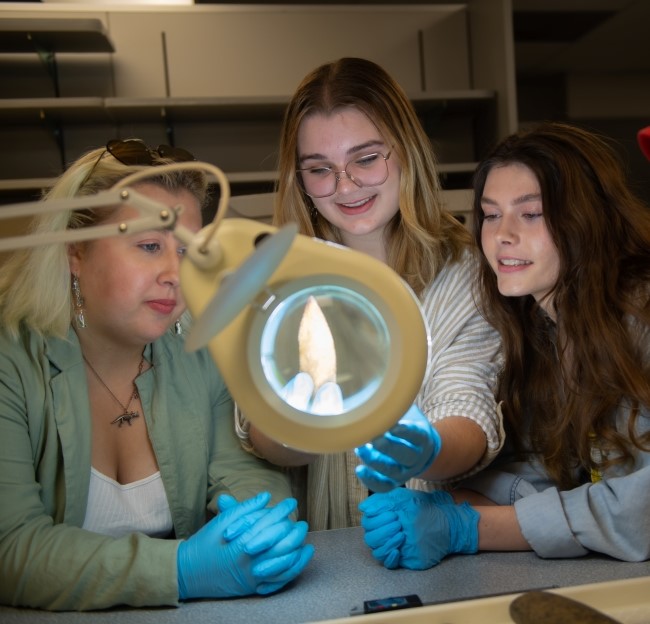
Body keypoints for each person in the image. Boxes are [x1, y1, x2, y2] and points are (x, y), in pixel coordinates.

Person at [0, 139, 313, 611]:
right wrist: (180, 569)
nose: (175, 273)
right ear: (74, 254)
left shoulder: (198, 348)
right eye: (149, 246)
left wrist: (256, 529)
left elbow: (243, 472)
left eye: (188, 251)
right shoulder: (12, 361)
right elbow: (11, 547)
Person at [360, 122, 650, 568]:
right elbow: (551, 474)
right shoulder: (541, 327)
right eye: (491, 214)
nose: (502, 235)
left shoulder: (640, 315)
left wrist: (470, 527)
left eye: (531, 214)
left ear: (587, 219)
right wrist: (449, 496)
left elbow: (639, 510)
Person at [235, 57, 503, 530]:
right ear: (299, 178)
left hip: (436, 539)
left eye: (365, 159)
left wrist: (428, 451)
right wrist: (297, 425)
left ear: (406, 152)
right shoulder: (276, 277)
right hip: (328, 554)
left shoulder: (466, 272)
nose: (346, 186)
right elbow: (261, 436)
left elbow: (469, 409)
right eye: (320, 169)